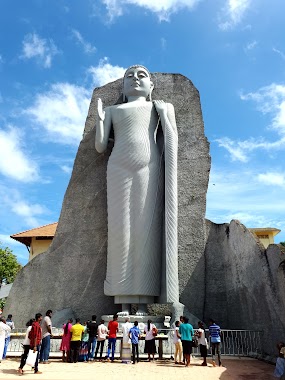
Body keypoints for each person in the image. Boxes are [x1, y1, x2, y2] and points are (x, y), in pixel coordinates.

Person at [95, 65, 179, 314]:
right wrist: (100, 120)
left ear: (151, 86)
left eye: (142, 76)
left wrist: (165, 116)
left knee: (145, 231)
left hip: (149, 168)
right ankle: (121, 300)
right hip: (118, 168)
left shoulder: (160, 107)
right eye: (129, 77)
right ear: (122, 87)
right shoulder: (112, 110)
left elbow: (171, 139)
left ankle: (143, 302)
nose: (135, 79)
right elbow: (101, 147)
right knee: (120, 232)